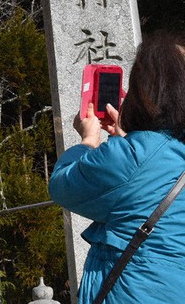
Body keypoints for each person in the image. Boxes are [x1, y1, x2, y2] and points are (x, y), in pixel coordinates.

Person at [49, 31, 185, 303]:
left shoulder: (132, 156)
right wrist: (125, 141)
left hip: (137, 292)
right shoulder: (143, 153)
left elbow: (63, 187)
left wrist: (88, 142)